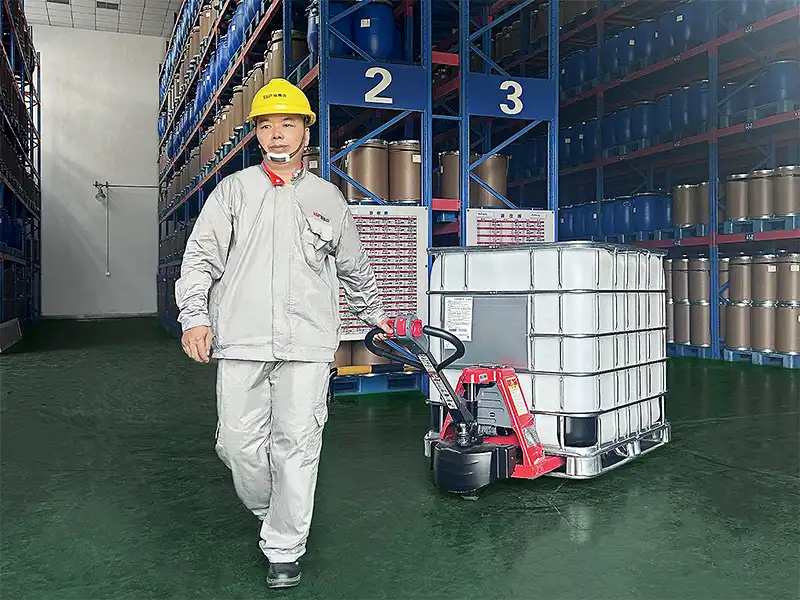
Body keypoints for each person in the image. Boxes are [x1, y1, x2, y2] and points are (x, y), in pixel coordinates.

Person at [174, 78, 393, 589]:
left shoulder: (326, 198)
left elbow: (354, 268)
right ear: (255, 134)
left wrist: (375, 315)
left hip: (308, 345)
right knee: (236, 444)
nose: (276, 134)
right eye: (266, 125)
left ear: (304, 132)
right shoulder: (233, 192)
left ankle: (285, 547)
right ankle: (273, 513)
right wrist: (195, 317)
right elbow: (200, 259)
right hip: (242, 340)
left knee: (296, 443)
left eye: (287, 124)